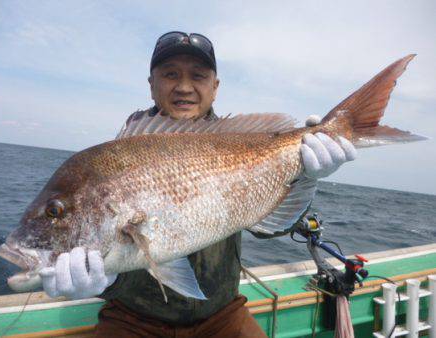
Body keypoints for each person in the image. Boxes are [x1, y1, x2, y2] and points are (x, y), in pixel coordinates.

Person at [39, 31, 356, 337]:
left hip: (221, 313)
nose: (184, 87)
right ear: (152, 85)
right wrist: (107, 283)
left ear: (215, 87)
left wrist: (305, 177)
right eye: (171, 74)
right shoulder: (116, 158)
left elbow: (268, 228)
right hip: (133, 317)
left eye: (198, 76)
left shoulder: (239, 141)